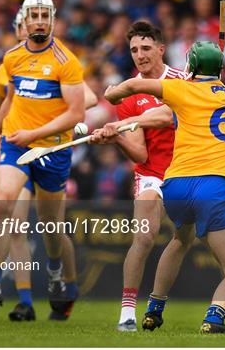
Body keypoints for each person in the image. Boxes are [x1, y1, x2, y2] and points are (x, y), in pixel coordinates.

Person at [103, 41, 225, 333]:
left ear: (191, 68)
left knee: (180, 240)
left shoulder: (179, 90)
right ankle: (214, 317)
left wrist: (112, 93)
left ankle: (154, 309)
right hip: (213, 185)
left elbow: (135, 87)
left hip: (176, 185)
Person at [0, 11, 97, 321]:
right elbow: (0, 109)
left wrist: (59, 108)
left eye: (39, 20)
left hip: (51, 148)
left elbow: (87, 99)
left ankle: (66, 281)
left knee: (52, 225)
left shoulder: (62, 60)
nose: (29, 28)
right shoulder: (9, 64)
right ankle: (14, 296)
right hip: (16, 145)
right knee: (12, 219)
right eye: (26, 23)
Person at [90, 21, 187, 332]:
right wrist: (116, 136)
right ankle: (127, 312)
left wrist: (122, 127)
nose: (140, 55)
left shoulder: (182, 81)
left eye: (146, 48)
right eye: (134, 50)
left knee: (195, 238)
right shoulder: (128, 94)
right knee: (144, 236)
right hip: (151, 174)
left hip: (185, 170)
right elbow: (140, 155)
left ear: (160, 49)